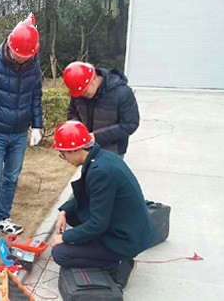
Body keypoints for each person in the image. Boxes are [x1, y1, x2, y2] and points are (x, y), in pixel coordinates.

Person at [50, 120, 157, 288]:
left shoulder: (100, 172)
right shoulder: (101, 157)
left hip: (124, 239)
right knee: (73, 215)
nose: (64, 158)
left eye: (63, 153)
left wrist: (64, 238)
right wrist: (63, 212)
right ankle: (104, 253)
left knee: (60, 253)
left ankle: (118, 263)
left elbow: (98, 224)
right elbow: (86, 197)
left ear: (75, 150)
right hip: (126, 226)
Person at [0, 14, 43, 248]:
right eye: (18, 56)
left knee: (12, 178)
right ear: (9, 47)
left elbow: (35, 96)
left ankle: (3, 218)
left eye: (27, 57)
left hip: (19, 132)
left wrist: (38, 125)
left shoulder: (33, 63)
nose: (22, 61)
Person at [63, 61, 139, 158]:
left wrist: (96, 136)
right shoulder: (79, 92)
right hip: (86, 148)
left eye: (85, 91)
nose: (82, 95)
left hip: (113, 150)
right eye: (79, 93)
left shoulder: (122, 93)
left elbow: (130, 124)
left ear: (94, 79)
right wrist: (77, 130)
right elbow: (72, 112)